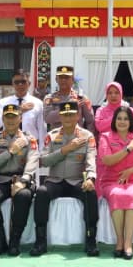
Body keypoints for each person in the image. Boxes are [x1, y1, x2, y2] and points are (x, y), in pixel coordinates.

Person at [31, 100, 98, 257]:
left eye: (71, 114)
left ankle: (91, 240)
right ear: (60, 117)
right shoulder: (52, 136)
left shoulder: (87, 136)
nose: (68, 118)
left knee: (91, 194)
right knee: (41, 193)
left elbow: (91, 160)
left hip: (76, 181)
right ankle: (40, 241)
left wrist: (90, 178)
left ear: (78, 116)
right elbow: (43, 161)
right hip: (55, 180)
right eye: (65, 115)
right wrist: (65, 150)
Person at [0, 102, 37, 256]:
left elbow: (32, 162)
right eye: (7, 117)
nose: (11, 120)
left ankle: (15, 240)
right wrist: (10, 152)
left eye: (14, 117)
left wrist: (23, 181)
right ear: (3, 119)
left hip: (21, 178)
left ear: (20, 118)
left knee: (23, 196)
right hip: (0, 179)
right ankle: (0, 240)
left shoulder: (28, 139)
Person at [98, 106, 133, 259]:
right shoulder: (105, 137)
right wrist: (129, 148)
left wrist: (130, 171)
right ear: (114, 120)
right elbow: (107, 160)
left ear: (131, 121)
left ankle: (128, 243)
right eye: (119, 118)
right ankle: (119, 241)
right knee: (117, 195)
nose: (122, 121)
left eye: (126, 119)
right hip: (111, 181)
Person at [0, 70, 47, 140]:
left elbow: (42, 129)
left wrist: (41, 147)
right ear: (12, 84)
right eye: (16, 82)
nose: (20, 84)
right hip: (10, 143)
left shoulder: (38, 103)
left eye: (23, 82)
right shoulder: (3, 102)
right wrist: (19, 110)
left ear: (29, 84)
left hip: (31, 144)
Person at [42, 65, 96, 133]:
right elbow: (47, 118)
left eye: (67, 77)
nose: (63, 80)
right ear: (56, 79)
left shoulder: (81, 98)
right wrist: (70, 107)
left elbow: (90, 121)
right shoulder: (49, 98)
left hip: (77, 137)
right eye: (61, 77)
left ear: (72, 80)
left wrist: (89, 136)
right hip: (57, 137)